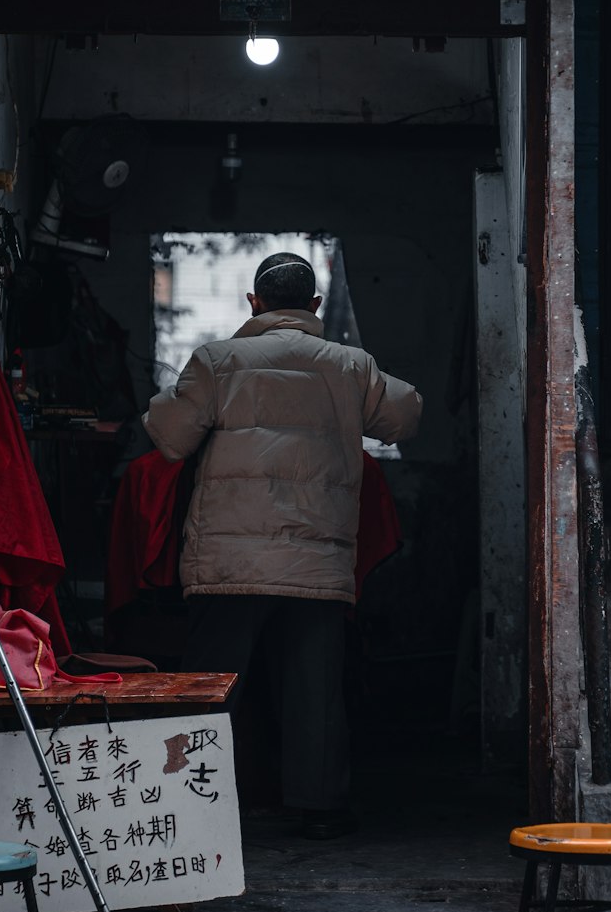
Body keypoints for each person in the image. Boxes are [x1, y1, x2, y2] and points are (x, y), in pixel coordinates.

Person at [143, 250, 422, 838]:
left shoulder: (218, 362)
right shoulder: (351, 366)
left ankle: (189, 808)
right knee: (314, 690)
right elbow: (406, 417)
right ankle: (317, 808)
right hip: (315, 561)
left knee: (209, 688)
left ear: (254, 302)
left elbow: (168, 437)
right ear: (315, 306)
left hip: (229, 560)